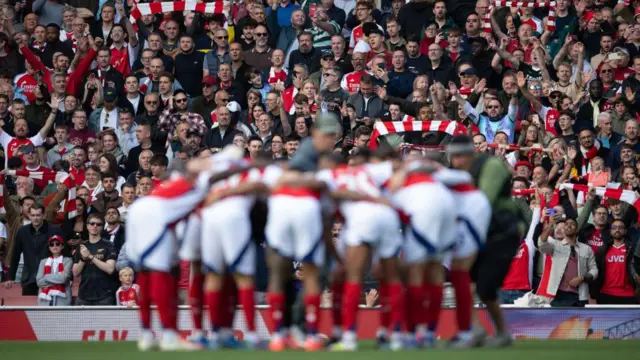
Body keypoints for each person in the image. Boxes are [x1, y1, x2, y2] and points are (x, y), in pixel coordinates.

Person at [447, 135, 526, 347]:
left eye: (457, 158)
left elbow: (483, 202)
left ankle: (499, 333)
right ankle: (476, 331)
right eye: (452, 159)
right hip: (478, 232)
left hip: (502, 232)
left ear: (467, 155)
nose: (455, 164)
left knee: (485, 287)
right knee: (462, 280)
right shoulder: (461, 174)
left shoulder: (491, 165)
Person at [3, 204, 63, 295]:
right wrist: (11, 277)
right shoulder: (22, 231)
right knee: (28, 305)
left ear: (44, 216)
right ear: (29, 216)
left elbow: (63, 253)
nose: (35, 218)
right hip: (29, 278)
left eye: (38, 215)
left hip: (49, 277)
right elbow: (15, 255)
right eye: (33, 215)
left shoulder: (54, 230)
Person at [72, 213, 118, 305]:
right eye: (92, 223)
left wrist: (91, 257)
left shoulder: (109, 245)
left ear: (102, 227)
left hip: (104, 295)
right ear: (87, 226)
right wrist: (83, 259)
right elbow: (75, 273)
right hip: (84, 294)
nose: (95, 226)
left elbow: (110, 269)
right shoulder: (81, 247)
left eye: (98, 224)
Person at [36, 235, 73, 306]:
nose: (54, 246)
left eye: (57, 244)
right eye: (52, 244)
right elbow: (39, 282)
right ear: (49, 247)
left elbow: (63, 279)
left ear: (62, 246)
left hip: (62, 301)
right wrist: (58, 280)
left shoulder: (68, 261)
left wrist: (46, 276)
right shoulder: (43, 262)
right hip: (44, 301)